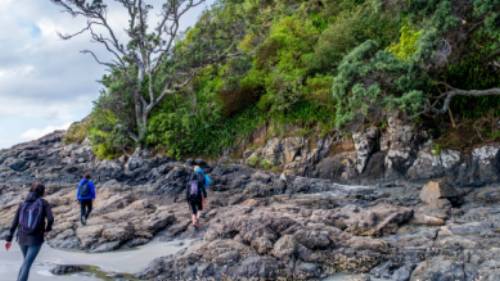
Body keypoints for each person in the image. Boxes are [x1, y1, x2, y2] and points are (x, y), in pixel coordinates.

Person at [4, 182, 54, 281]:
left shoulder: (22, 204)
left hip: (22, 237)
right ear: (42, 192)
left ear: (30, 190)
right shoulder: (44, 203)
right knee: (27, 264)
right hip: (36, 238)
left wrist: (9, 239)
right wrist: (47, 229)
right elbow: (51, 219)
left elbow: (14, 222)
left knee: (26, 262)